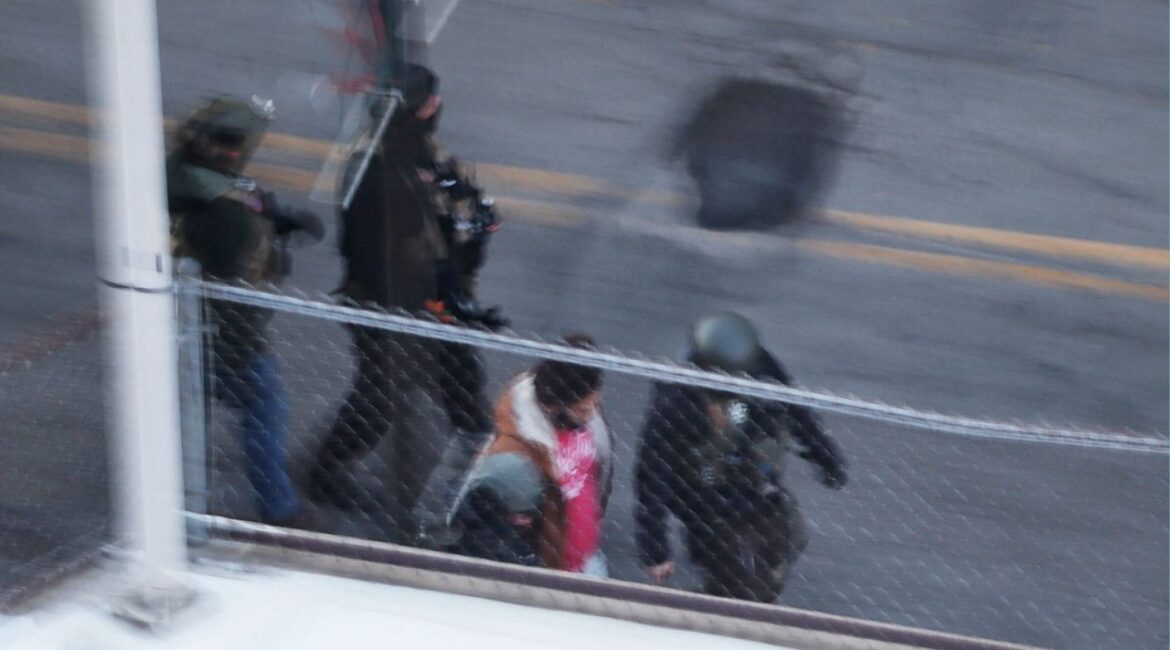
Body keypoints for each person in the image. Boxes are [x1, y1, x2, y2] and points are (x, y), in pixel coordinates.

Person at [309, 63, 505, 544]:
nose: (437, 110)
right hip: (395, 310)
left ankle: (454, 505)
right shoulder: (375, 173)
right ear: (412, 112)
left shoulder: (419, 156)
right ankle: (326, 473)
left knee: (468, 411)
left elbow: (451, 223)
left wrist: (471, 218)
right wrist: (434, 305)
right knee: (378, 399)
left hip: (437, 309)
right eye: (429, 105)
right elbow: (382, 257)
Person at [167, 96, 325, 526]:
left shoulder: (183, 175)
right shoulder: (225, 214)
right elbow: (229, 289)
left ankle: (176, 501)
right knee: (265, 405)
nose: (239, 152)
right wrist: (240, 353)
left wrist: (277, 219)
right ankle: (277, 509)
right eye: (231, 142)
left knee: (186, 417)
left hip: (187, 329)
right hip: (222, 337)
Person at [634, 312, 847, 602]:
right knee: (732, 570)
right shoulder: (676, 400)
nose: (739, 381)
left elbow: (796, 408)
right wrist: (655, 548)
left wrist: (825, 454)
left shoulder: (760, 366)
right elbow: (652, 474)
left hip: (749, 475)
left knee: (788, 534)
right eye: (732, 378)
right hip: (701, 491)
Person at [453, 334, 612, 574]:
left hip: (584, 555)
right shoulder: (515, 455)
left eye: (595, 404)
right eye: (583, 408)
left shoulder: (584, 420)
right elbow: (484, 519)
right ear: (554, 407)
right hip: (547, 563)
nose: (591, 413)